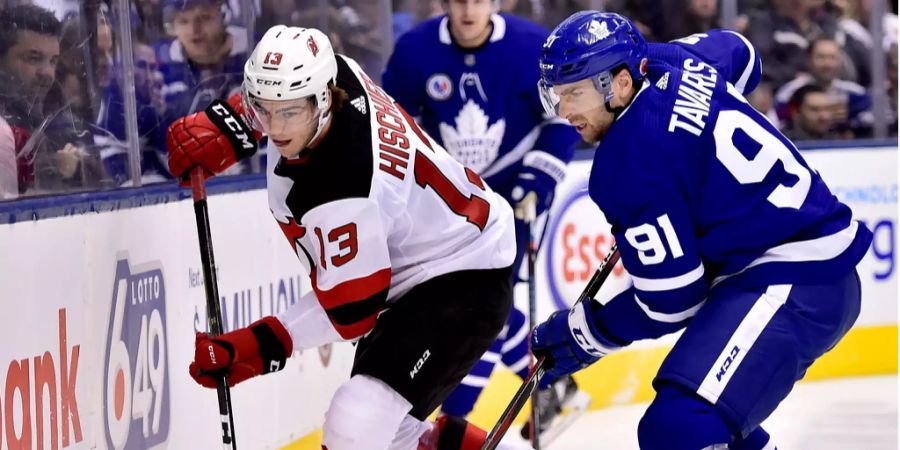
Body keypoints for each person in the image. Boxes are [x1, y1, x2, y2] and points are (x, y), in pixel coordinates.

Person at [167, 25, 528, 450]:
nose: (275, 126)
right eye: (262, 108)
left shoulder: (345, 190)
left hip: (464, 274)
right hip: (441, 249)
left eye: (289, 113)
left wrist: (256, 345)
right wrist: (232, 125)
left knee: (358, 418)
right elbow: (279, 92)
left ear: (322, 100)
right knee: (393, 435)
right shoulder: (338, 73)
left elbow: (353, 312)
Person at [530, 11, 873, 450]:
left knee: (679, 426)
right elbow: (744, 56)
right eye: (557, 94)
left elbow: (672, 303)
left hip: (795, 279)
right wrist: (697, 134)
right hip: (791, 270)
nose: (564, 111)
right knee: (706, 414)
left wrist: (586, 332)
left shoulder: (627, 166)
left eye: (575, 93)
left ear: (618, 85)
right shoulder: (670, 58)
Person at [382, 0, 582, 437]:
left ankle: (453, 422)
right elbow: (393, 131)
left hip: (516, 199)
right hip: (449, 206)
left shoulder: (532, 46)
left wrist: (538, 177)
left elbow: (563, 118)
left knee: (483, 305)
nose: (468, 9)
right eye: (458, 0)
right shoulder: (416, 50)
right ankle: (557, 384)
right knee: (487, 309)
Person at [774, 37, 871, 137]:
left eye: (832, 57)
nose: (827, 64)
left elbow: (870, 121)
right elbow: (780, 117)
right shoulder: (790, 92)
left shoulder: (856, 93)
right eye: (821, 57)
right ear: (809, 60)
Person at [783, 83, 847, 140]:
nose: (824, 117)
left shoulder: (839, 140)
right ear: (796, 112)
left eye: (827, 109)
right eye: (814, 110)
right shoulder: (780, 144)